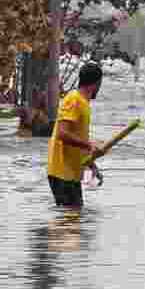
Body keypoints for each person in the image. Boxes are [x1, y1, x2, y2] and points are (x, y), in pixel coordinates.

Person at [46, 63, 104, 208]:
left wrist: (92, 165)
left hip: (71, 173)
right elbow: (62, 133)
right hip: (61, 172)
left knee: (73, 220)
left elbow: (78, 139)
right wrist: (90, 145)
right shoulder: (74, 100)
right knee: (70, 220)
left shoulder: (83, 103)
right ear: (96, 84)